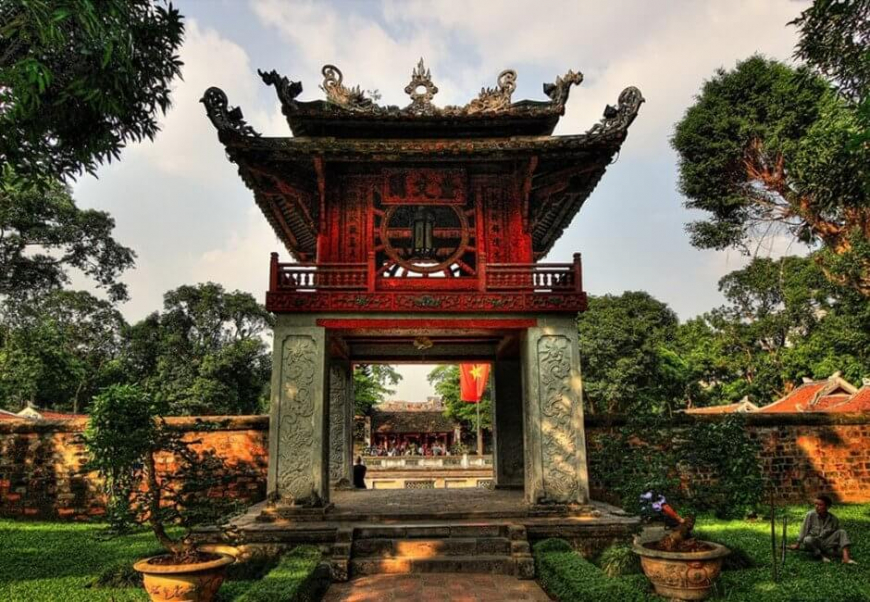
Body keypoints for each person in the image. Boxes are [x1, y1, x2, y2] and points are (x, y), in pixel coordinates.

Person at [789, 494, 856, 564]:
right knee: (807, 539)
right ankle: (821, 556)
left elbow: (836, 536)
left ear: (827, 507)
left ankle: (846, 558)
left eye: (820, 505)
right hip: (814, 542)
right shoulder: (810, 515)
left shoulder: (833, 519)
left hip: (826, 543)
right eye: (815, 504)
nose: (816, 507)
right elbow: (804, 529)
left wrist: (836, 547)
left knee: (842, 532)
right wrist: (797, 544)